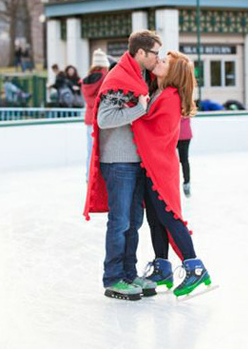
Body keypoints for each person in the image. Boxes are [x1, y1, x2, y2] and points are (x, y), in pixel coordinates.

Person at [83, 30, 161, 301]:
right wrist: (139, 109)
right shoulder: (118, 78)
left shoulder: (140, 76)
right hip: (118, 161)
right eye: (154, 53)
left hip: (136, 160)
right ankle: (113, 277)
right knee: (120, 222)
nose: (157, 58)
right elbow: (104, 119)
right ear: (141, 53)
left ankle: (129, 273)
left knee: (134, 222)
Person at [137, 51, 212, 297]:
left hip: (161, 167)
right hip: (152, 166)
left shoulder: (170, 97)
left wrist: (130, 114)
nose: (158, 61)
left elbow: (152, 129)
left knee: (169, 217)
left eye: (164, 62)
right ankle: (162, 267)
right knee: (155, 219)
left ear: (174, 73)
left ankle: (194, 266)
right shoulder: (159, 91)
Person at [80, 49, 109, 182]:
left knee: (90, 151)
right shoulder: (106, 77)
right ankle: (99, 177)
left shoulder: (87, 80)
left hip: (89, 120)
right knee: (103, 151)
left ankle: (89, 176)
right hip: (101, 118)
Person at [178, 116, 192, 197]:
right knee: (184, 160)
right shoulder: (188, 103)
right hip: (186, 133)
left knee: (181, 160)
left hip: (175, 133)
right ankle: (187, 183)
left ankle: (186, 183)